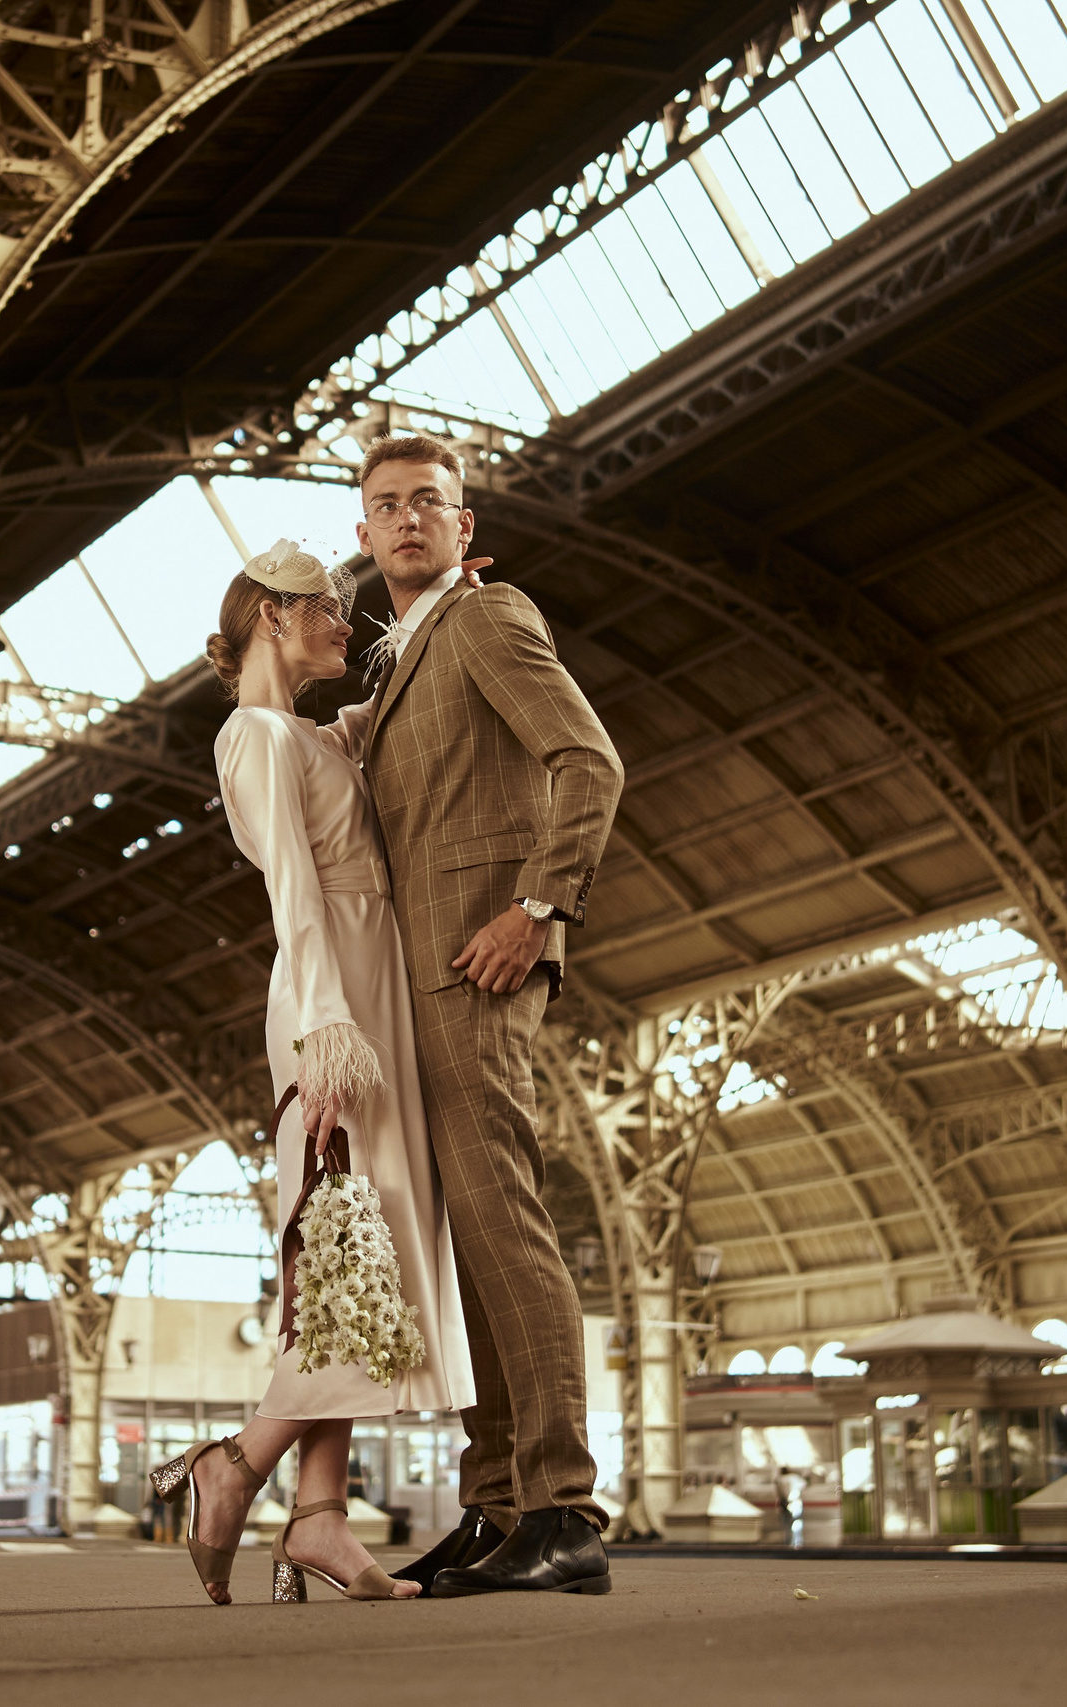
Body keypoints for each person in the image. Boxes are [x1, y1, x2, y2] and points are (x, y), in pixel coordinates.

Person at [151, 539, 478, 1604]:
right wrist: (327, 1042)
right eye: (329, 610)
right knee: (344, 1256)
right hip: (328, 1005)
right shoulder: (251, 735)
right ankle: (234, 1467)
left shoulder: (316, 732)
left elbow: (397, 690)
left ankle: (320, 1517)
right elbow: (293, 894)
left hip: (368, 993)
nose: (349, 623)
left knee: (355, 1271)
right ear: (272, 620)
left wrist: (446, 599)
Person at [353, 433, 622, 1597]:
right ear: (363, 538)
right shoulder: (396, 661)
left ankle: (564, 1508)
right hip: (422, 977)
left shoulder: (484, 619)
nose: (408, 519)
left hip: (481, 963)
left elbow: (588, 762)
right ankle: (496, 1504)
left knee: (504, 1225)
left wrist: (535, 907)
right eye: (386, 506)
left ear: (466, 530)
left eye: (430, 503)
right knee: (469, 1248)